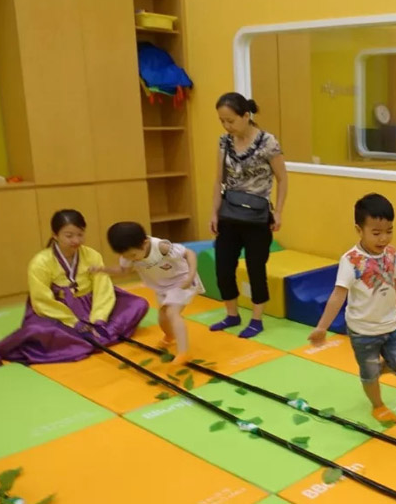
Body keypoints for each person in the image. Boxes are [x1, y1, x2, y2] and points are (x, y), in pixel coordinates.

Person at [0, 210, 148, 367]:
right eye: (69, 235)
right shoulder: (40, 262)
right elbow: (41, 300)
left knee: (138, 304)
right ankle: (90, 336)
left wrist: (99, 318)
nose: (76, 240)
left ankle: (95, 332)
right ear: (55, 235)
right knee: (37, 330)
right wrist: (74, 322)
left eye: (80, 234)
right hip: (58, 311)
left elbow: (102, 287)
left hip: (91, 304)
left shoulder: (92, 255)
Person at [308, 194, 396, 424]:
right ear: (359, 230)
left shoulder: (391, 254)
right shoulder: (351, 260)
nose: (384, 238)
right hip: (362, 331)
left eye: (389, 231)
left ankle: (371, 372)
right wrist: (322, 327)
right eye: (376, 233)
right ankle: (378, 405)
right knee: (370, 372)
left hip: (390, 324)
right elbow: (338, 295)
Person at [208, 93, 288, 339]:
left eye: (231, 120)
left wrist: (278, 212)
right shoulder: (224, 142)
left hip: (257, 218)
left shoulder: (267, 142)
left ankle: (256, 319)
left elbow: (283, 178)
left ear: (245, 116)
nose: (226, 126)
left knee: (256, 269)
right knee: (223, 267)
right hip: (229, 214)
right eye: (222, 121)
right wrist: (214, 212)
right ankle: (232, 314)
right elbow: (219, 180)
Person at [94, 222, 204, 364]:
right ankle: (170, 336)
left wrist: (190, 276)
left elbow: (190, 253)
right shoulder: (128, 255)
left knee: (172, 313)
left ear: (145, 243)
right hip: (163, 287)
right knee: (163, 317)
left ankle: (184, 352)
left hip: (181, 280)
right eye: (127, 256)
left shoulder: (161, 247)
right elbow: (124, 271)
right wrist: (103, 269)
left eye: (133, 255)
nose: (132, 259)